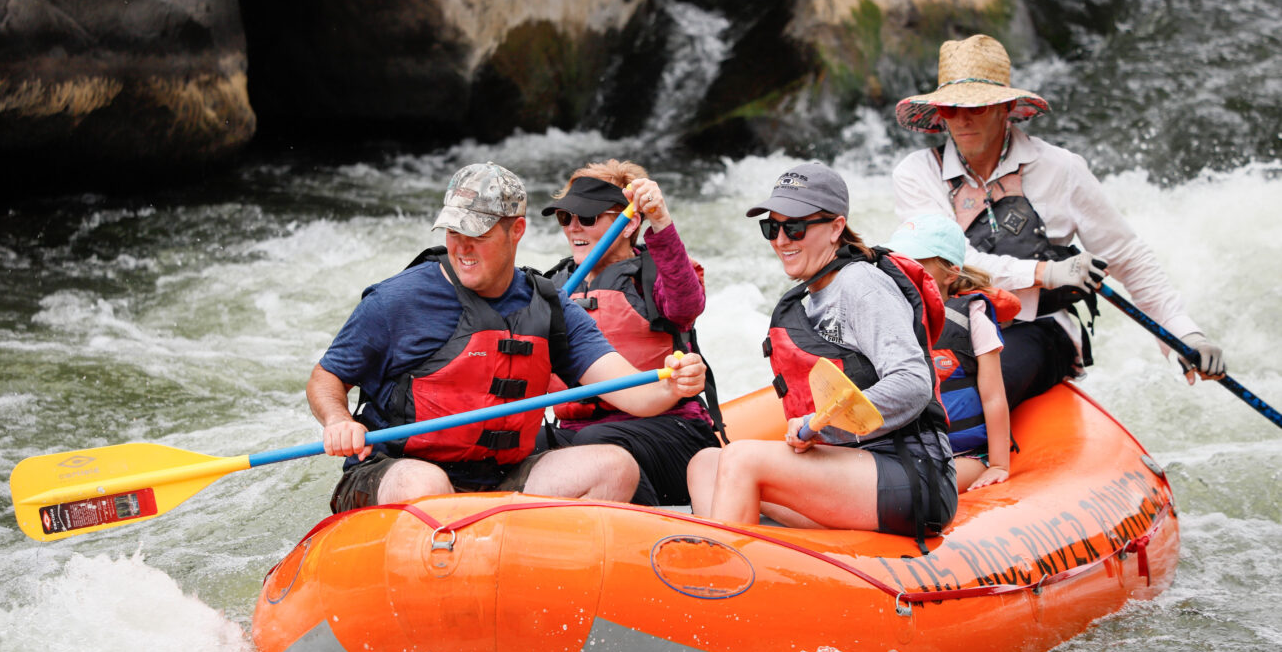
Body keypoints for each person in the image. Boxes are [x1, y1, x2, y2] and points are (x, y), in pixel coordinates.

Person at [307, 162, 707, 512]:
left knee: (615, 467)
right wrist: (338, 420)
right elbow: (326, 377)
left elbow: (635, 393)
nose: (462, 246)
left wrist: (676, 382)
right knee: (426, 486)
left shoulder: (549, 305)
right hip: (397, 468)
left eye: (477, 233)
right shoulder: (398, 299)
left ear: (516, 230)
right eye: (453, 230)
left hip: (500, 475)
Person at [892, 34, 1225, 409]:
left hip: (1037, 329)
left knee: (967, 399)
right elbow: (949, 262)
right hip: (949, 323)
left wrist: (1186, 336)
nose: (963, 119)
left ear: (1006, 108)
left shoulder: (1062, 169)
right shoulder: (916, 173)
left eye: (978, 107)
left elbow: (1129, 260)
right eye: (951, 109)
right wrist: (1046, 273)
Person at [687, 163, 957, 548]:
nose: (781, 239)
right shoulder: (813, 292)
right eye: (771, 227)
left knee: (742, 459)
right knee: (705, 463)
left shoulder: (862, 286)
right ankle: (747, 567)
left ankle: (725, 583)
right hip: (849, 469)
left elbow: (914, 382)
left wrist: (820, 425)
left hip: (910, 474)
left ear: (835, 228)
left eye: (794, 227)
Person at [536, 160, 722, 506]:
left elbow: (686, 305)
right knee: (526, 444)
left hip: (672, 434)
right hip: (579, 434)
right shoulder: (554, 287)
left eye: (588, 218)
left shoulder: (655, 273)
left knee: (596, 440)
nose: (574, 228)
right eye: (566, 218)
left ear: (628, 223)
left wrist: (661, 221)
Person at [885, 214, 1017, 492]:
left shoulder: (972, 319)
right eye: (897, 264)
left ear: (950, 273)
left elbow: (993, 397)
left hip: (964, 455)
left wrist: (998, 465)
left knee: (916, 492)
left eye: (915, 265)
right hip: (907, 450)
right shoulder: (888, 318)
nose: (902, 274)